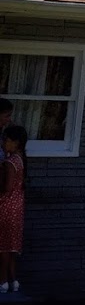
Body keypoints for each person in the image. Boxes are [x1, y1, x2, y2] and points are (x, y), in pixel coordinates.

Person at [0, 124, 28, 293]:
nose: (4, 143)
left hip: (6, 207)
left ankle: (2, 281)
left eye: (7, 140)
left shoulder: (10, 163)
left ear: (16, 142)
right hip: (17, 207)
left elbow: (7, 187)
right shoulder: (21, 159)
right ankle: (13, 280)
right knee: (11, 246)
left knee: (2, 246)